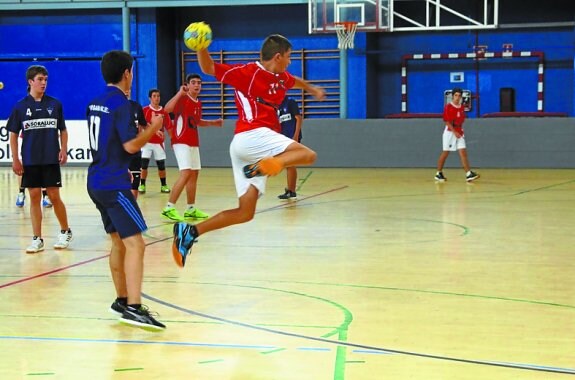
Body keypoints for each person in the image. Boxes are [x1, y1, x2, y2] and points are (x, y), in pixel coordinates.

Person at [171, 33, 325, 267]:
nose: (290, 61)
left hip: (246, 147)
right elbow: (209, 67)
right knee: (307, 155)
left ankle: (190, 233)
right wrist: (201, 47)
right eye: (289, 57)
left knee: (245, 213)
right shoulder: (247, 73)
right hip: (252, 135)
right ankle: (263, 167)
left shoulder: (281, 77)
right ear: (277, 56)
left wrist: (312, 89)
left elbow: (295, 81)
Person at [86, 50, 166, 331]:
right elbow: (131, 146)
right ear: (127, 73)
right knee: (136, 243)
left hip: (95, 179)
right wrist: (153, 129)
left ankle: (121, 300)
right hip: (113, 182)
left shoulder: (95, 103)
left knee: (118, 241)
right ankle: (133, 306)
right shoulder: (120, 104)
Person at [7, 65, 73, 254]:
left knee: (53, 195)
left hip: (50, 158)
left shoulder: (55, 104)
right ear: (30, 82)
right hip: (30, 159)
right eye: (40, 80)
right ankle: (37, 239)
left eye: (45, 79)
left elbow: (63, 130)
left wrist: (64, 149)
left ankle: (65, 231)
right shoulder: (20, 106)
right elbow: (13, 134)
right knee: (34, 196)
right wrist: (16, 159)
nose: (44, 83)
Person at [161, 74, 223, 222]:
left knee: (194, 174)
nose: (197, 85)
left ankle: (190, 209)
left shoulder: (198, 103)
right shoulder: (183, 98)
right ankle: (169, 207)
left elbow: (197, 122)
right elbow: (167, 109)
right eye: (193, 83)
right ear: (187, 85)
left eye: (199, 83)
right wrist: (179, 93)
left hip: (193, 141)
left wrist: (213, 123)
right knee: (186, 172)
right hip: (181, 140)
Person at [434, 87, 480, 182]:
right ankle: (438, 173)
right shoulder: (448, 107)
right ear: (452, 96)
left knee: (463, 152)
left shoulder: (462, 107)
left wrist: (459, 131)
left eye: (459, 95)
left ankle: (468, 173)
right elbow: (447, 121)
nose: (457, 97)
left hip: (459, 132)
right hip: (450, 133)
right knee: (446, 152)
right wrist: (454, 132)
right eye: (456, 95)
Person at [139, 88, 172, 194]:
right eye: (154, 96)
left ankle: (163, 185)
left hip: (159, 143)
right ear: (150, 98)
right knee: (144, 164)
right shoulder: (145, 110)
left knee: (161, 165)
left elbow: (169, 127)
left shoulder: (164, 112)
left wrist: (173, 140)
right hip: (146, 142)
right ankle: (142, 184)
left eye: (158, 96)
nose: (156, 98)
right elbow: (142, 124)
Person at [277, 95, 303, 200]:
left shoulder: (290, 102)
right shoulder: (277, 106)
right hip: (283, 138)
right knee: (289, 165)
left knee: (290, 164)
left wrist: (296, 135)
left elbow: (298, 118)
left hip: (292, 137)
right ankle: (291, 190)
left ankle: (291, 190)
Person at [125, 90, 148, 199]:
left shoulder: (136, 106)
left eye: (128, 89)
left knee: (136, 177)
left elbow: (142, 124)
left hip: (134, 148)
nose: (126, 92)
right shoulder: (113, 106)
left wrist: (154, 130)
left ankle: (133, 206)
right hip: (120, 150)